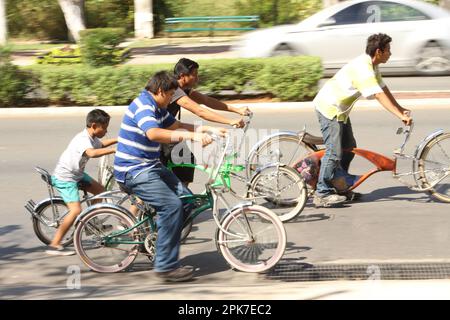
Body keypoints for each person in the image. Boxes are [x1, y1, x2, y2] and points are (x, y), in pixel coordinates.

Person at [113, 71, 225, 282]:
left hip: (150, 166)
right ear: (161, 91)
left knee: (186, 200)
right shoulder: (144, 106)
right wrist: (191, 136)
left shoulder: (158, 107)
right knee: (172, 206)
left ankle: (162, 242)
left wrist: (209, 129)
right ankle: (165, 267)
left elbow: (176, 126)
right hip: (134, 170)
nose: (173, 99)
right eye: (171, 94)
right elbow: (153, 133)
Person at [312, 33, 413, 208]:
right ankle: (322, 193)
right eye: (388, 50)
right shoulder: (363, 69)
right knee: (334, 152)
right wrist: (399, 115)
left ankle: (339, 185)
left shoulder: (372, 65)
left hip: (340, 111)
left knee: (349, 149)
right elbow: (378, 95)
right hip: (330, 109)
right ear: (379, 52)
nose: (391, 53)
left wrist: (400, 108)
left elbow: (383, 88)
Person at [161, 58, 251, 187]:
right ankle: (178, 201)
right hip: (159, 135)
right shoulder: (174, 90)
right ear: (182, 76)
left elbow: (206, 101)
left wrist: (236, 110)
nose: (197, 79)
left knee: (184, 162)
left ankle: (181, 200)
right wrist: (229, 121)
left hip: (169, 132)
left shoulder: (183, 89)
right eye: (194, 75)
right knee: (172, 168)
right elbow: (200, 111)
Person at [46, 109, 117, 255]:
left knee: (100, 191)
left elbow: (101, 145)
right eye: (104, 127)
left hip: (77, 174)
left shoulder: (91, 137)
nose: (106, 131)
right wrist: (114, 150)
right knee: (76, 210)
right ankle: (55, 244)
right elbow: (92, 153)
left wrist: (118, 140)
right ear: (93, 125)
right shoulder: (82, 139)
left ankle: (92, 223)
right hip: (66, 178)